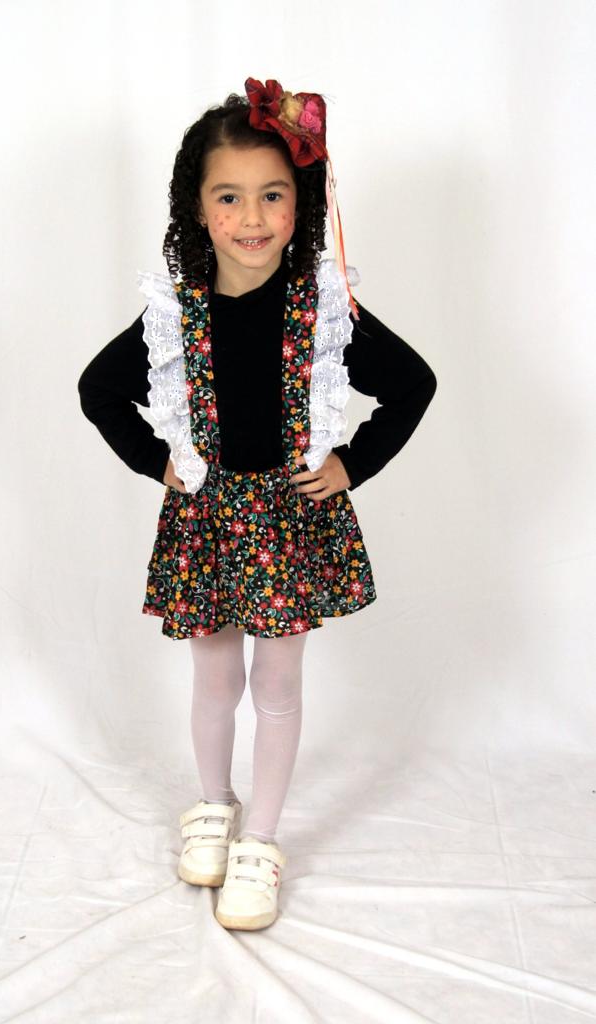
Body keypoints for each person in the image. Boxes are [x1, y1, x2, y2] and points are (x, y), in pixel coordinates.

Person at [77, 77, 437, 931]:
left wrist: (351, 463)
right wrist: (159, 463)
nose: (252, 217)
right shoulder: (177, 315)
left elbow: (413, 384)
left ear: (299, 203)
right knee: (214, 675)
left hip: (288, 522)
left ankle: (262, 840)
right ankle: (214, 803)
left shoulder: (326, 311)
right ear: (196, 209)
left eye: (272, 195)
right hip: (208, 519)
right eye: (229, 196)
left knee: (277, 680)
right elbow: (98, 389)